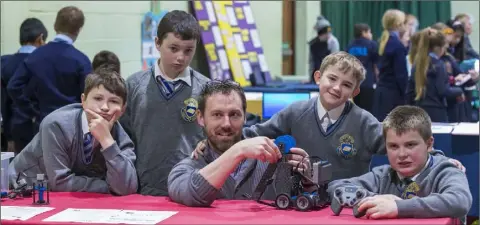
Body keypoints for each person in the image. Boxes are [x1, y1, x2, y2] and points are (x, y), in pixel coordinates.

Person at [193, 52, 466, 181]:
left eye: (347, 85)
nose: (337, 88)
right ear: (318, 77)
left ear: (356, 91)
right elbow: (252, 134)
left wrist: (441, 159)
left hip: (349, 204)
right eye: (332, 79)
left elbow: (404, 145)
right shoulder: (295, 112)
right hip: (299, 202)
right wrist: (212, 143)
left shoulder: (365, 122)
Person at [168, 80, 312, 206]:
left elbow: (301, 206)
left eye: (234, 114)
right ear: (200, 118)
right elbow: (193, 194)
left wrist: (307, 183)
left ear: (245, 117)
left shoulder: (274, 161)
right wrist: (238, 151)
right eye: (217, 115)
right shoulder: (184, 170)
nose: (226, 124)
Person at [119, 10, 210, 196]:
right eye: (174, 48)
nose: (181, 57)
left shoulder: (206, 89)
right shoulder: (134, 85)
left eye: (188, 50)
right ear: (158, 43)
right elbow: (122, 136)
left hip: (191, 186)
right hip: (143, 186)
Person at [327, 105, 472, 221]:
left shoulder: (446, 170)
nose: (402, 154)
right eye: (394, 146)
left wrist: (398, 206)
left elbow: (460, 200)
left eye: (410, 145)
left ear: (429, 144)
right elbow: (336, 187)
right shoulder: (383, 175)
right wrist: (373, 198)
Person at [8, 68, 137, 196]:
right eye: (98, 98)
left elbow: (126, 187)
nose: (104, 107)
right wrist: (109, 187)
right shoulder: (56, 125)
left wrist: (107, 141)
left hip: (70, 195)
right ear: (83, 100)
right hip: (22, 188)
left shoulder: (121, 137)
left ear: (123, 109)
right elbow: (59, 182)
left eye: (114, 101)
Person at [7, 6, 92, 128]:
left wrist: (32, 112)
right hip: (71, 125)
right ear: (78, 30)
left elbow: (13, 86)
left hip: (43, 123)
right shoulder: (81, 61)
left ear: (55, 26)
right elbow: (89, 95)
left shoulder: (34, 57)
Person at [1, 18, 47, 154]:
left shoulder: (5, 63)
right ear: (41, 38)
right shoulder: (44, 63)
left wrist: (8, 137)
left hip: (15, 128)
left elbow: (4, 102)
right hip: (40, 127)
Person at [405, 28, 464, 122]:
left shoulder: (417, 63)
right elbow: (443, 91)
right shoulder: (439, 65)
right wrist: (459, 91)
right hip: (436, 112)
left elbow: (410, 91)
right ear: (439, 48)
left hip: (419, 110)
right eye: (445, 48)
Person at [372, 9, 408, 122]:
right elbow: (401, 75)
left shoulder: (383, 42)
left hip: (381, 93)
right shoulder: (397, 45)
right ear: (398, 24)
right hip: (393, 95)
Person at [346, 23, 379, 113]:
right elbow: (376, 66)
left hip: (353, 84)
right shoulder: (372, 45)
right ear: (363, 32)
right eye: (369, 32)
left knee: (356, 111)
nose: (371, 34)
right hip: (367, 83)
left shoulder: (350, 45)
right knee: (368, 111)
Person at [309, 16, 340, 83]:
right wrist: (310, 78)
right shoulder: (313, 44)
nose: (327, 36)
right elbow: (311, 62)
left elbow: (334, 62)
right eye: (325, 34)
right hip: (316, 76)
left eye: (328, 33)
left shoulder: (333, 42)